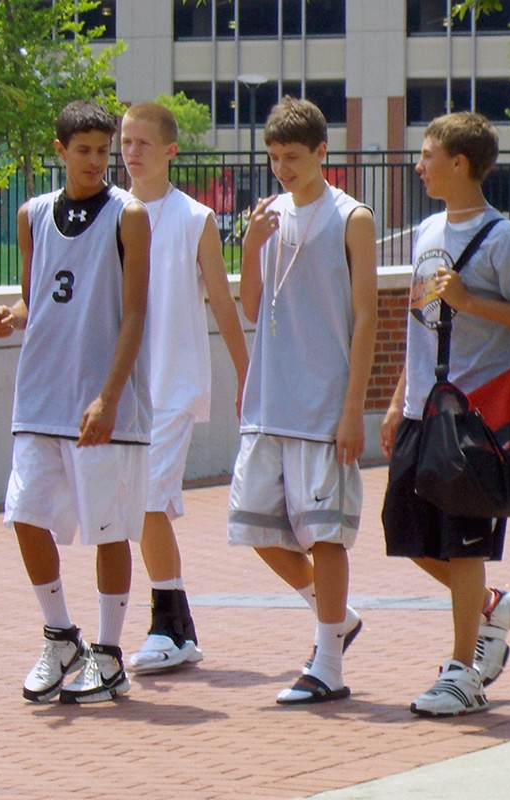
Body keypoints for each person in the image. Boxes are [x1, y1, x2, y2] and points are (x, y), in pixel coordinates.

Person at [380, 111, 510, 717]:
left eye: (428, 154)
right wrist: (396, 402)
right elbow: (422, 321)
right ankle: (489, 604)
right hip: (422, 410)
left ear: (459, 163)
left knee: (462, 543)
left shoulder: (504, 238)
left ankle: (462, 674)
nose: (419, 164)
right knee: (405, 531)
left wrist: (471, 300)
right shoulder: (427, 229)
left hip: (477, 418)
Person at [0, 100, 151, 705]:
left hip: (100, 402)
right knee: (25, 517)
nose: (95, 161)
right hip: (40, 397)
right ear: (60, 151)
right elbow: (36, 300)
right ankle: (61, 637)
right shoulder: (32, 216)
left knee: (108, 529)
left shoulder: (127, 215)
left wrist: (108, 397)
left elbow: (135, 312)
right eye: (83, 150)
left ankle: (108, 654)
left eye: (103, 151)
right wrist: (11, 317)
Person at [227, 97, 377, 705]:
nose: (282, 169)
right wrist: (248, 245)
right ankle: (335, 618)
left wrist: (352, 409)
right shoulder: (271, 216)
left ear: (322, 153)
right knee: (256, 527)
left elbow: (367, 317)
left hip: (322, 402)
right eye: (274, 158)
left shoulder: (352, 217)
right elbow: (252, 306)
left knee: (324, 536)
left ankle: (329, 664)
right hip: (270, 401)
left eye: (292, 157)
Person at [118, 102, 249, 674]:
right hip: (122, 388)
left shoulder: (194, 219)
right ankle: (178, 627)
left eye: (143, 143)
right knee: (137, 507)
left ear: (170, 150)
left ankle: (167, 627)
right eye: (126, 142)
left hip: (172, 385)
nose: (131, 152)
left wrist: (249, 374)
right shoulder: (110, 215)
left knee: (146, 501)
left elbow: (221, 299)